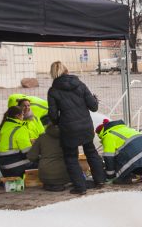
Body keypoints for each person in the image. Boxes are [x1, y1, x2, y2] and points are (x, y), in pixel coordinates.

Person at [46, 61, 107, 195]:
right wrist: (95, 100)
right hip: (85, 125)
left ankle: (80, 187)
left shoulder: (53, 91)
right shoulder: (80, 85)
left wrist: (57, 122)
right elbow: (93, 107)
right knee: (91, 152)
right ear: (67, 70)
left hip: (68, 128)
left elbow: (53, 114)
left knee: (71, 157)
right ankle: (100, 180)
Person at [95, 119, 142, 183]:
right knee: (136, 167)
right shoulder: (123, 128)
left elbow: (108, 157)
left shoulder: (108, 136)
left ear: (100, 132)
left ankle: (130, 177)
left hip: (138, 157)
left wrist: (110, 176)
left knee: (119, 180)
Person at [26, 123, 71, 191]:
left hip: (45, 176)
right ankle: (57, 185)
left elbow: (31, 156)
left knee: (48, 176)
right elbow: (74, 156)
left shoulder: (42, 138)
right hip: (65, 176)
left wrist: (41, 160)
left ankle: (50, 185)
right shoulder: (68, 137)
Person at [0, 106, 37, 178]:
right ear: (17, 116)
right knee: (43, 162)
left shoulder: (4, 127)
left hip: (4, 169)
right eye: (22, 114)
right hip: (16, 168)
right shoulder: (19, 128)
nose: (23, 116)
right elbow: (28, 153)